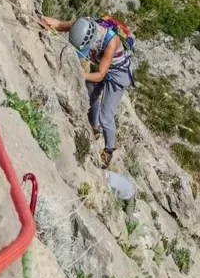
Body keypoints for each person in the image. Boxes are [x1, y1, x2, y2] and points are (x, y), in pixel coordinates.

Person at [43, 13, 135, 168]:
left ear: (92, 40)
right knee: (90, 95)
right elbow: (59, 24)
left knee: (106, 115)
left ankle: (108, 150)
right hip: (102, 65)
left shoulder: (111, 42)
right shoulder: (83, 25)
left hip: (118, 74)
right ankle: (94, 127)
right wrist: (43, 20)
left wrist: (79, 75)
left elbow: (100, 75)